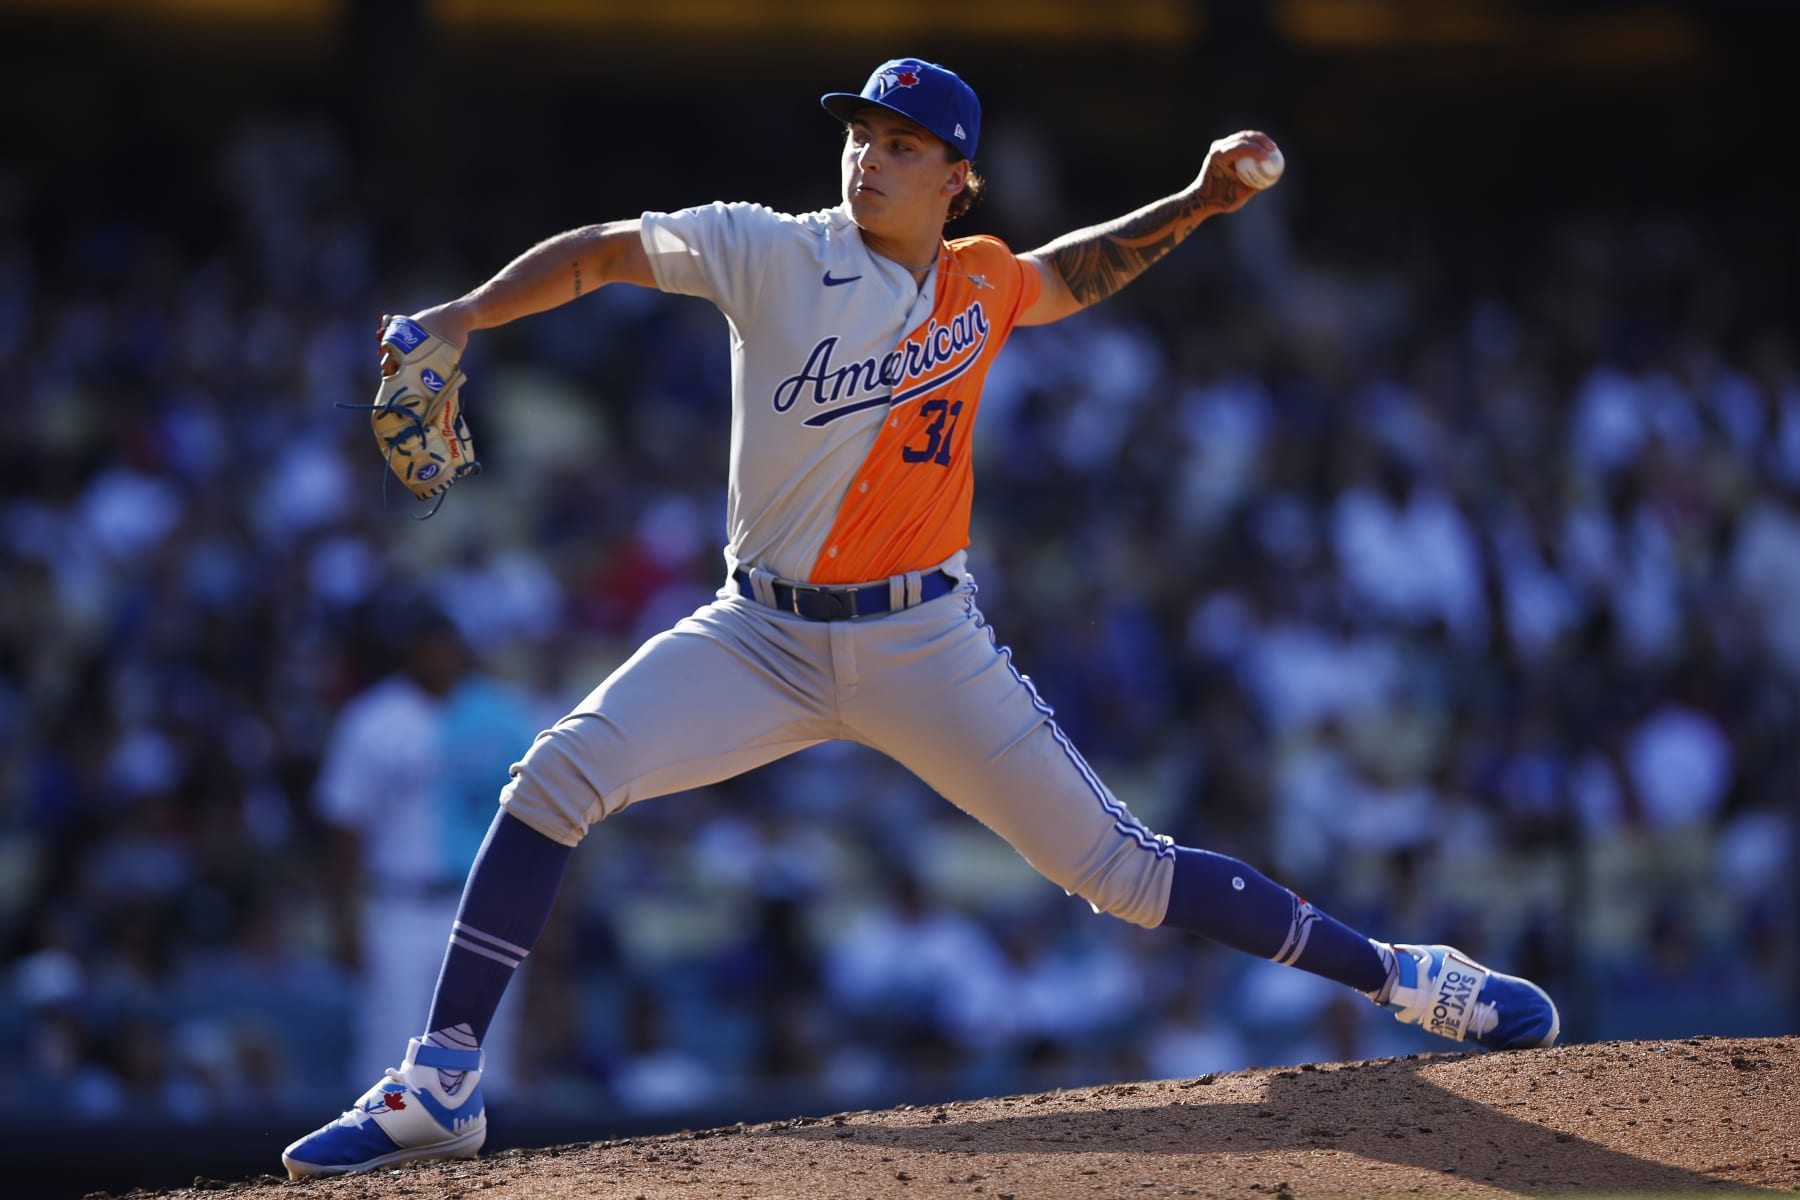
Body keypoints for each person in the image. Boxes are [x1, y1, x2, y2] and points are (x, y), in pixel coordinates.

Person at [282, 57, 1559, 1178]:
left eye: (902, 145)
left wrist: (1202, 202)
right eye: (859, 135)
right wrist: (459, 316)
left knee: (1121, 874)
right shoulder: (770, 247)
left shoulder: (982, 282)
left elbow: (1067, 273)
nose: (868, 158)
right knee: (554, 778)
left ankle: (1411, 979)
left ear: (959, 180)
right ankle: (442, 1081)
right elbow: (608, 250)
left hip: (920, 638)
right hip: (760, 634)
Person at [312, 607, 540, 1098]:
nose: (437, 656)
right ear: (408, 653)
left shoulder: (501, 715)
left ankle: (489, 1173)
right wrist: (342, 919)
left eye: (445, 645)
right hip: (400, 904)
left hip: (484, 906)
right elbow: (345, 830)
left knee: (485, 1058)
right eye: (426, 646)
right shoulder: (373, 720)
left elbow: (536, 822)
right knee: (387, 1055)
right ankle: (381, 1174)